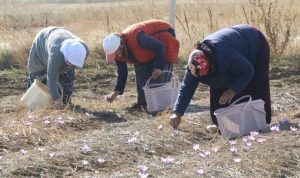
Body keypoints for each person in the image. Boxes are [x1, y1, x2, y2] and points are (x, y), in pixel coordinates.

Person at [169, 24, 271, 129]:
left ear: (211, 65)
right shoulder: (194, 65)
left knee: (256, 85)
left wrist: (232, 90)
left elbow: (248, 71)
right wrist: (177, 113)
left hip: (254, 43)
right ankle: (221, 125)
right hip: (232, 56)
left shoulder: (224, 56)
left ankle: (262, 123)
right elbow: (187, 88)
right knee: (218, 87)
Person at [102, 19, 180, 108]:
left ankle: (165, 106)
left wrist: (158, 68)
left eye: (116, 53)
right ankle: (143, 104)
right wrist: (116, 92)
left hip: (164, 35)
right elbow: (122, 72)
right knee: (141, 72)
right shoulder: (118, 53)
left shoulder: (137, 38)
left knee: (160, 82)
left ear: (121, 45)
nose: (117, 56)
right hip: (148, 49)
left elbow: (160, 46)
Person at [27, 26, 89, 109]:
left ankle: (65, 102)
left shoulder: (83, 50)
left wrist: (62, 101)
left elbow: (72, 65)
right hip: (41, 46)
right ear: (65, 56)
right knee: (39, 89)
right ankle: (34, 106)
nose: (72, 66)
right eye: (70, 63)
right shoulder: (55, 55)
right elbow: (51, 79)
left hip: (60, 38)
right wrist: (57, 100)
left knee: (66, 85)